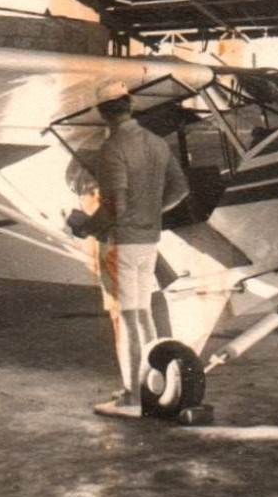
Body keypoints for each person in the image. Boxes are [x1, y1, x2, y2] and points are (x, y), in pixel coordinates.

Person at [69, 81, 189, 412]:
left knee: (126, 320)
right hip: (149, 240)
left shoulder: (113, 148)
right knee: (144, 314)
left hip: (121, 244)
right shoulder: (156, 144)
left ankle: (132, 397)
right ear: (130, 103)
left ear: (102, 113)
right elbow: (180, 190)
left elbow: (114, 207)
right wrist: (150, 212)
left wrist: (85, 226)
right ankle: (151, 387)